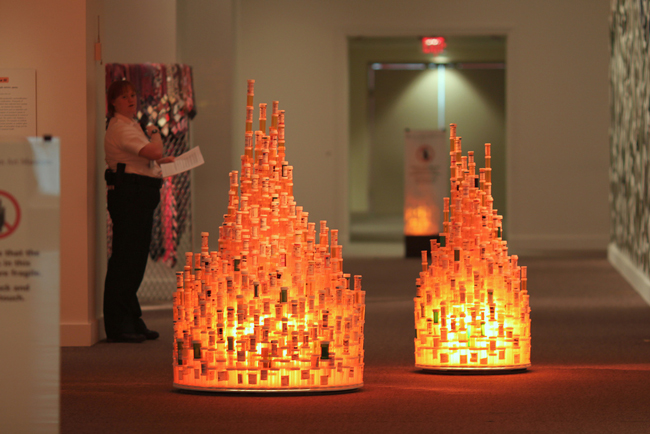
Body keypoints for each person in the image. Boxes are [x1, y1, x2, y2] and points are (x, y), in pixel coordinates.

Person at [103, 80, 175, 343]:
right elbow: (155, 149)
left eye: (133, 95)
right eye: (124, 97)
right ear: (113, 102)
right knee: (126, 260)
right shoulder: (122, 127)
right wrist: (155, 130)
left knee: (134, 261)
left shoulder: (130, 126)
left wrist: (157, 162)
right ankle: (119, 325)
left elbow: (144, 157)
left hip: (137, 196)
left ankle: (131, 320)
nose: (131, 100)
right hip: (130, 197)